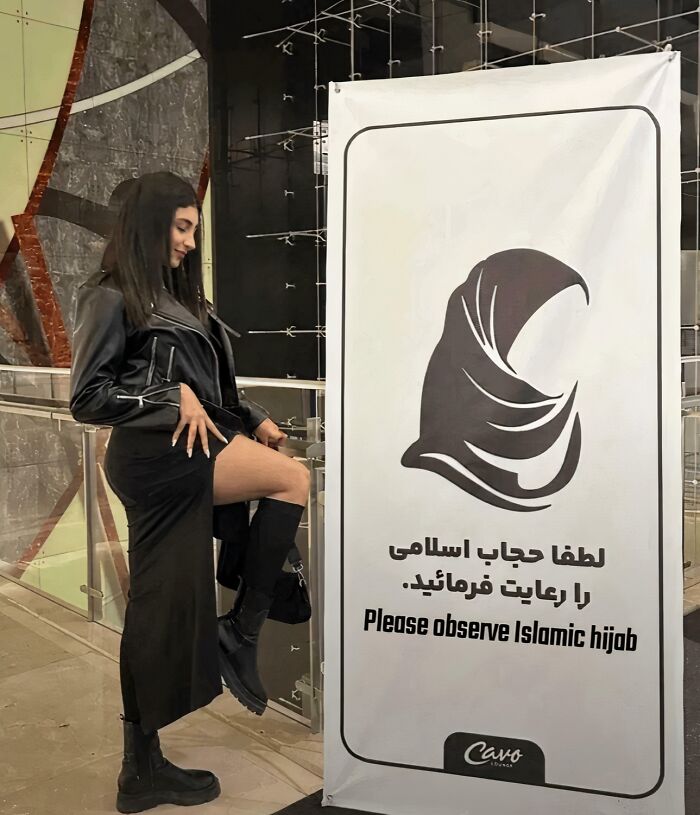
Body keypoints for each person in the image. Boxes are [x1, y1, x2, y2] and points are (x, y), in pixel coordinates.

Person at [69, 172, 310, 814]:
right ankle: (240, 633)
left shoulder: (176, 300)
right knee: (292, 480)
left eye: (194, 228)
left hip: (187, 455)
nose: (189, 241)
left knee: (160, 608)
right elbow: (88, 397)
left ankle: (141, 766)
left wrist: (254, 415)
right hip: (159, 461)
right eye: (181, 226)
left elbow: (211, 388)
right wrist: (166, 395)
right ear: (148, 224)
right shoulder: (109, 295)